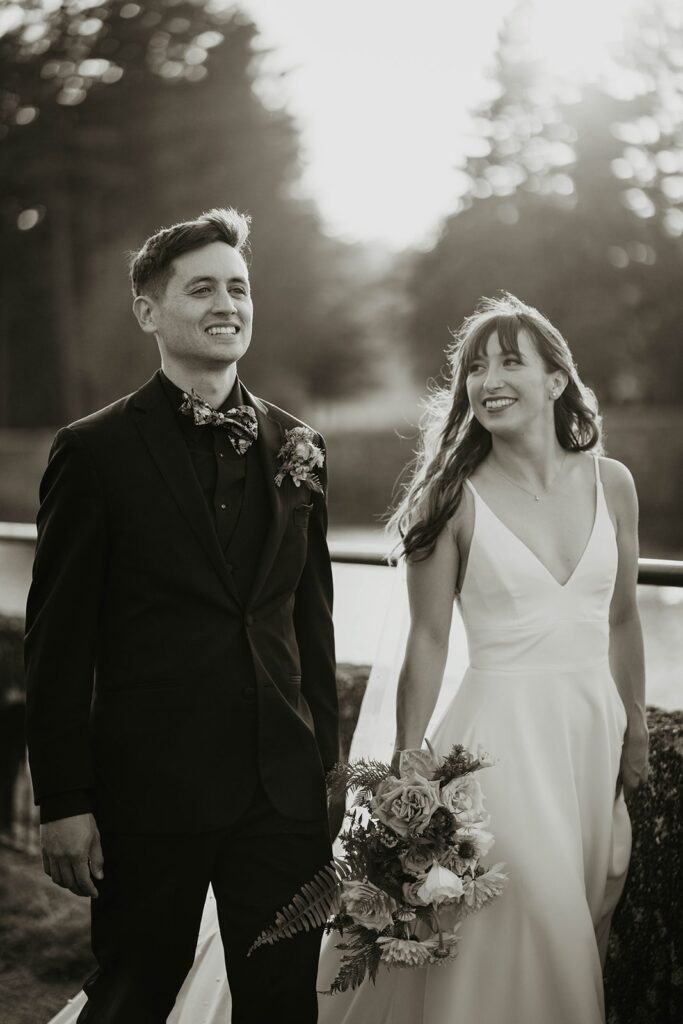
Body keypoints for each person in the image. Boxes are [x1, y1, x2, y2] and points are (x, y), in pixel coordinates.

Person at [25, 207, 340, 1024]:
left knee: (280, 1006)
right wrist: (63, 799)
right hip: (147, 793)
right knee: (135, 994)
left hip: (282, 792)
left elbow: (312, 623)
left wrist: (328, 775)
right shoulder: (92, 453)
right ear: (148, 312)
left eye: (237, 287)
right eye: (201, 289)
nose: (226, 303)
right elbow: (58, 642)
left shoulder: (300, 444)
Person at [316, 292, 649, 1023]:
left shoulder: (612, 483)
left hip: (588, 740)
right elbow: (428, 640)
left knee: (586, 904)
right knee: (535, 911)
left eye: (508, 362)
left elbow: (622, 617)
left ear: (555, 380)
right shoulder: (449, 497)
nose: (486, 379)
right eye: (474, 367)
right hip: (497, 750)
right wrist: (407, 768)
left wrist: (636, 727)